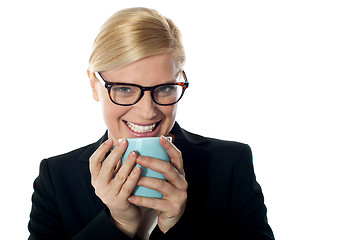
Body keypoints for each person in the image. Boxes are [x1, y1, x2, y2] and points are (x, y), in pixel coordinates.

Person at [28, 7, 275, 240]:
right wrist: (119, 224)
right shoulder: (56, 178)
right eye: (124, 89)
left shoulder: (231, 164)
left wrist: (176, 226)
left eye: (165, 88)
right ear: (94, 85)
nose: (147, 112)